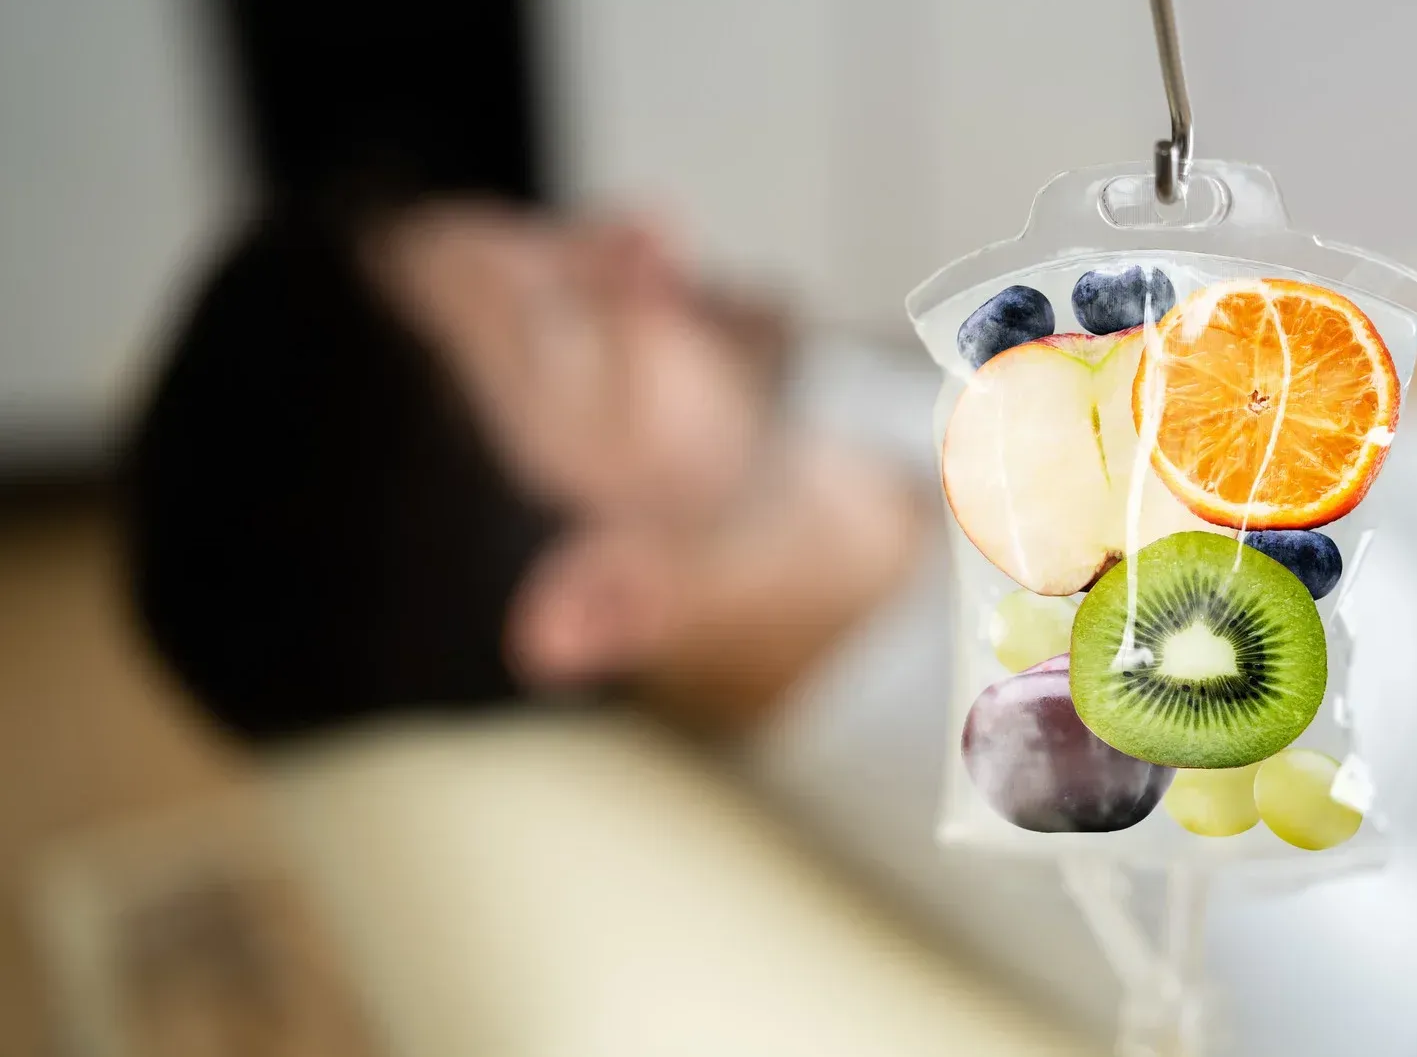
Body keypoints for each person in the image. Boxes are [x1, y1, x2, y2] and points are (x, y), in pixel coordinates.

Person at [123, 197, 922, 744]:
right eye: (576, 323)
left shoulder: (804, 403)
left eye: (557, 233)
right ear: (600, 605)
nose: (649, 233)